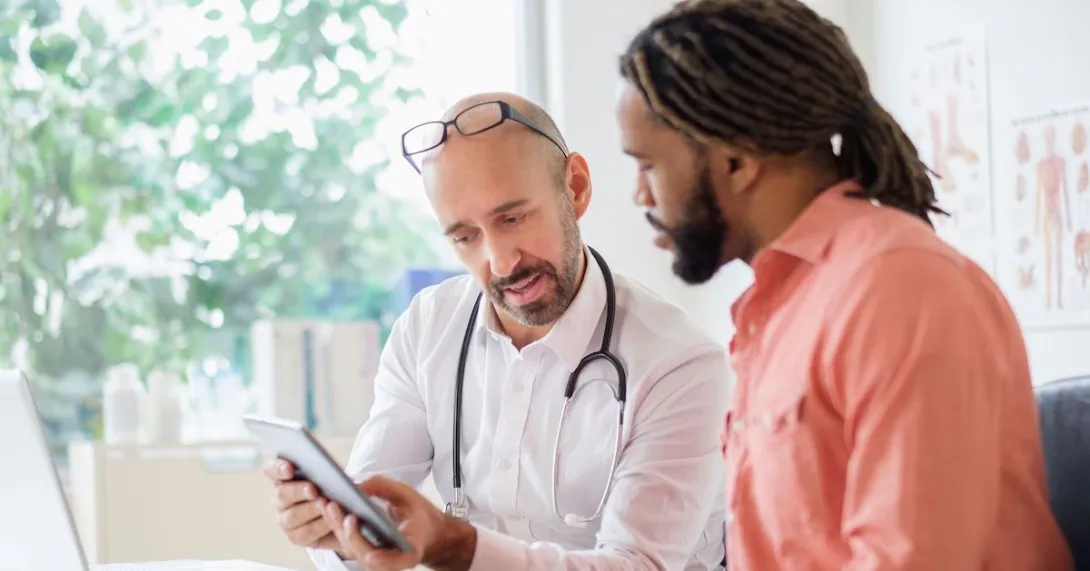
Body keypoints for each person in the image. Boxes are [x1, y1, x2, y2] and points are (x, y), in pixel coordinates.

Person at [612, 1, 1074, 570]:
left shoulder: (901, 292)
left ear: (736, 159)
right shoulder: (781, 305)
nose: (640, 196)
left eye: (648, 166)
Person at [264, 92, 730, 571]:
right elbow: (374, 505)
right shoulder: (428, 327)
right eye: (465, 237)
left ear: (576, 187)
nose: (501, 262)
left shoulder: (681, 364)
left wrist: (453, 545)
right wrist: (338, 530)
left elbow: (637, 566)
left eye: (513, 218)